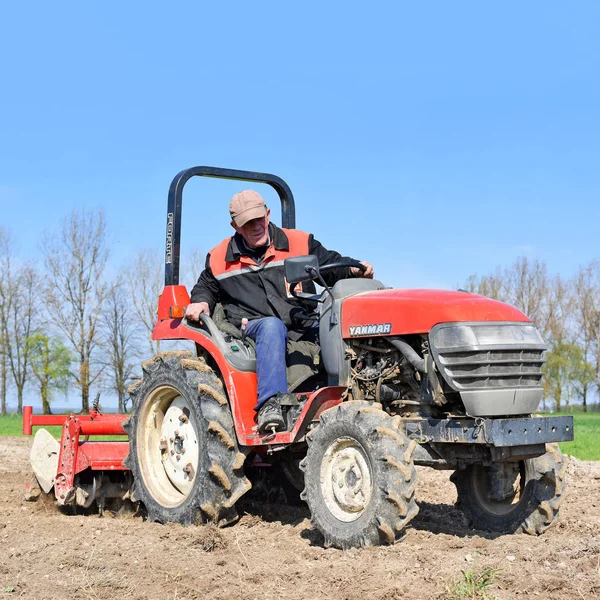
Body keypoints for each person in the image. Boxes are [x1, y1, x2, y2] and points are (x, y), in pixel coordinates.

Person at [186, 189, 373, 433]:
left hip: (302, 324)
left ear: (268, 213)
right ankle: (270, 404)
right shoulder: (220, 257)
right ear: (235, 226)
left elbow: (328, 266)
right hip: (251, 328)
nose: (256, 226)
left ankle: (353, 393)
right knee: (272, 325)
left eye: (259, 218)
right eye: (248, 223)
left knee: (336, 323)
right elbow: (205, 287)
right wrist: (201, 301)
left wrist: (353, 270)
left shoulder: (299, 243)